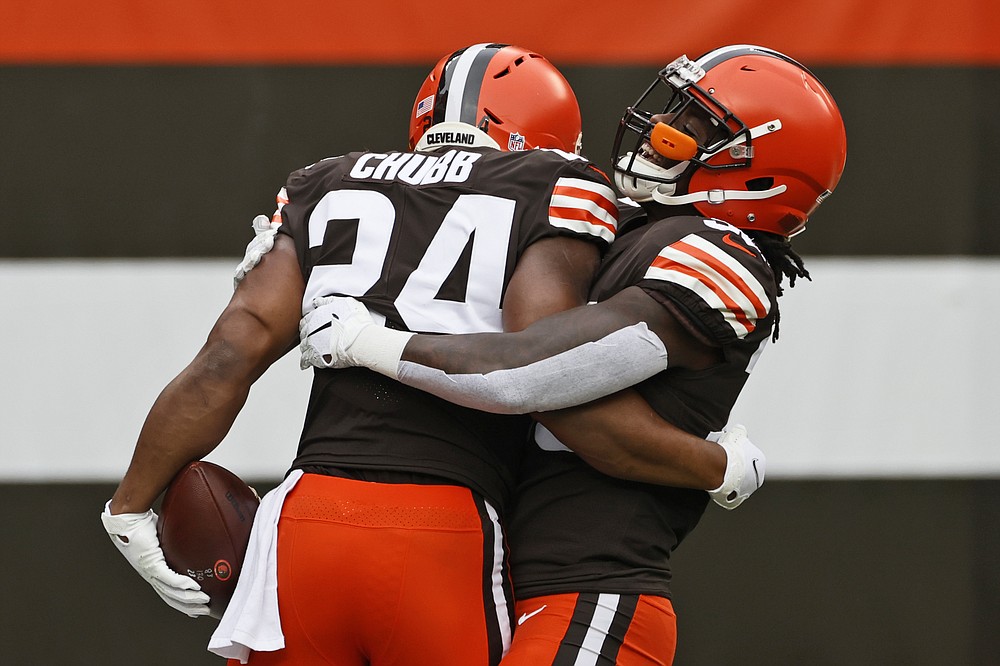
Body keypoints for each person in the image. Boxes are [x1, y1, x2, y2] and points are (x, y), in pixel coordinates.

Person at [99, 43, 747, 666]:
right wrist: (713, 465)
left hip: (303, 525)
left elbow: (226, 358)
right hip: (442, 527)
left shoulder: (328, 182)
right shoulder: (557, 182)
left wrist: (130, 504)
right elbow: (543, 368)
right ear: (543, 134)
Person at [298, 44, 848, 664]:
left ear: (760, 172)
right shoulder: (635, 230)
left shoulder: (723, 258)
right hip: (505, 588)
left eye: (698, 127)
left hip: (592, 589)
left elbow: (531, 375)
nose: (663, 130)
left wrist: (367, 340)